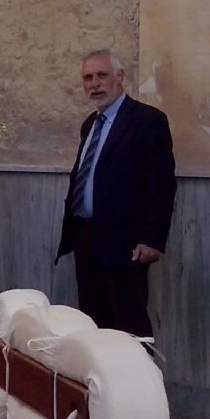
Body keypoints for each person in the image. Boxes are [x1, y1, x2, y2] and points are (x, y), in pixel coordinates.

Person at [56, 49, 176, 337]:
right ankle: (101, 381)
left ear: (120, 77)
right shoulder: (89, 124)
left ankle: (140, 382)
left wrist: (152, 240)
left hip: (126, 244)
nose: (94, 84)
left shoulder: (147, 121)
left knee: (129, 324)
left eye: (102, 75)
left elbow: (161, 184)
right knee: (94, 323)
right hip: (86, 238)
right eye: (88, 78)